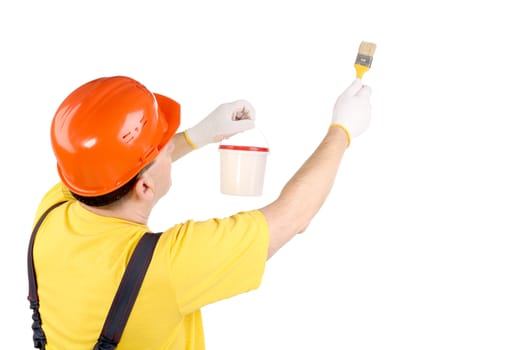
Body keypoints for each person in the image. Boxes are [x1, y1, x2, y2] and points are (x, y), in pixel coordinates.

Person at [28, 75, 372, 349]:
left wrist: (199, 135)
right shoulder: (169, 265)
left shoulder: (54, 210)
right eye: (164, 147)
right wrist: (341, 131)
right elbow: (294, 215)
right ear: (144, 188)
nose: (170, 147)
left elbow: (114, 172)